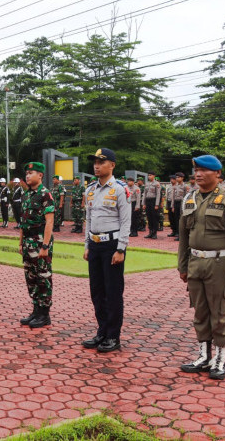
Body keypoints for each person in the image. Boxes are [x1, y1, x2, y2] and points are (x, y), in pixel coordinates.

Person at [178, 155, 225, 380]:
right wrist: (183, 265)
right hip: (196, 263)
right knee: (200, 312)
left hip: (220, 264)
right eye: (196, 170)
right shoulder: (190, 199)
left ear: (217, 174)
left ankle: (220, 358)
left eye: (204, 170)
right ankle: (203, 355)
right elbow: (183, 236)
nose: (198, 174)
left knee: (219, 313)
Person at [82, 148, 131, 353]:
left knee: (112, 292)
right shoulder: (90, 189)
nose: (96, 165)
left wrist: (121, 248)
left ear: (112, 165)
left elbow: (126, 220)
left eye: (101, 162)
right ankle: (101, 331)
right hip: (95, 245)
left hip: (112, 246)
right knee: (97, 292)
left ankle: (113, 336)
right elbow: (89, 219)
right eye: (95, 162)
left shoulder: (120, 189)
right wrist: (86, 245)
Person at [18, 162, 55, 328]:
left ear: (40, 175)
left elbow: (49, 222)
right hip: (27, 241)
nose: (27, 176)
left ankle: (44, 314)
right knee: (31, 277)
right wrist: (20, 243)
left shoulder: (45, 194)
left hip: (40, 240)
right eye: (26, 173)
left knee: (43, 277)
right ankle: (36, 309)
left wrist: (45, 246)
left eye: (31, 173)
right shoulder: (26, 195)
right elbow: (22, 221)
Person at [142, 171, 162, 239]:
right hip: (148, 201)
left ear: (154, 176)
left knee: (154, 217)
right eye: (148, 175)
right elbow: (144, 193)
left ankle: (154, 233)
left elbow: (158, 194)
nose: (149, 176)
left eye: (150, 175)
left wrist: (156, 204)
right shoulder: (147, 183)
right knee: (149, 217)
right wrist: (143, 203)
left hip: (153, 201)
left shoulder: (157, 184)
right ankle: (150, 232)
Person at [171, 172, 189, 242]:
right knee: (176, 219)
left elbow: (187, 197)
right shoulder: (175, 186)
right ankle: (178, 234)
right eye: (176, 177)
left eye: (179, 177)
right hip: (176, 203)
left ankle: (183, 235)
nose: (177, 178)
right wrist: (172, 206)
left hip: (182, 203)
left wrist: (185, 206)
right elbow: (173, 197)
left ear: (182, 178)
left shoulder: (185, 186)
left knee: (182, 220)